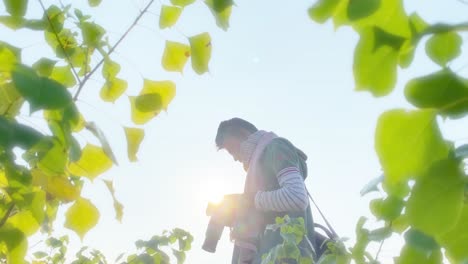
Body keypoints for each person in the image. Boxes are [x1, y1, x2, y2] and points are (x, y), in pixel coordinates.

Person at [215, 118, 316, 264]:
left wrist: (250, 201)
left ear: (243, 134)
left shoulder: (276, 147)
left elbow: (296, 197)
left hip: (284, 255)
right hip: (270, 255)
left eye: (232, 151)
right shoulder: (260, 166)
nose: (235, 158)